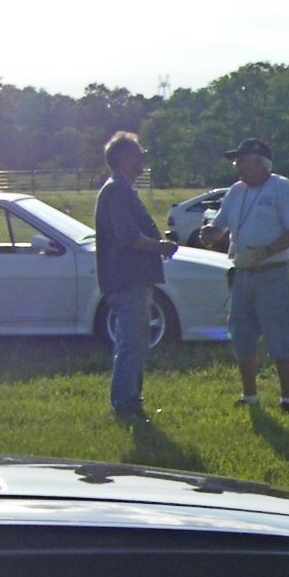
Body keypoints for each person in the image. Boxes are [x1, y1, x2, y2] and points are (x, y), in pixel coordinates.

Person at [209, 137, 289, 413]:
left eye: (241, 161)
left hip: (272, 273)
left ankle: (286, 398)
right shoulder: (235, 191)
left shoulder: (281, 188)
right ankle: (250, 395)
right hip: (242, 274)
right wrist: (211, 234)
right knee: (241, 334)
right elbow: (220, 227)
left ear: (260, 163)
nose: (237, 166)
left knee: (280, 334)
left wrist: (267, 251)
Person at [92, 132, 178, 422]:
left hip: (131, 279)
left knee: (136, 342)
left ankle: (132, 400)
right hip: (127, 279)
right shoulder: (117, 191)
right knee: (132, 344)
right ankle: (125, 404)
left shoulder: (121, 190)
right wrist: (161, 247)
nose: (143, 159)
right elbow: (129, 236)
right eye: (139, 154)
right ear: (124, 158)